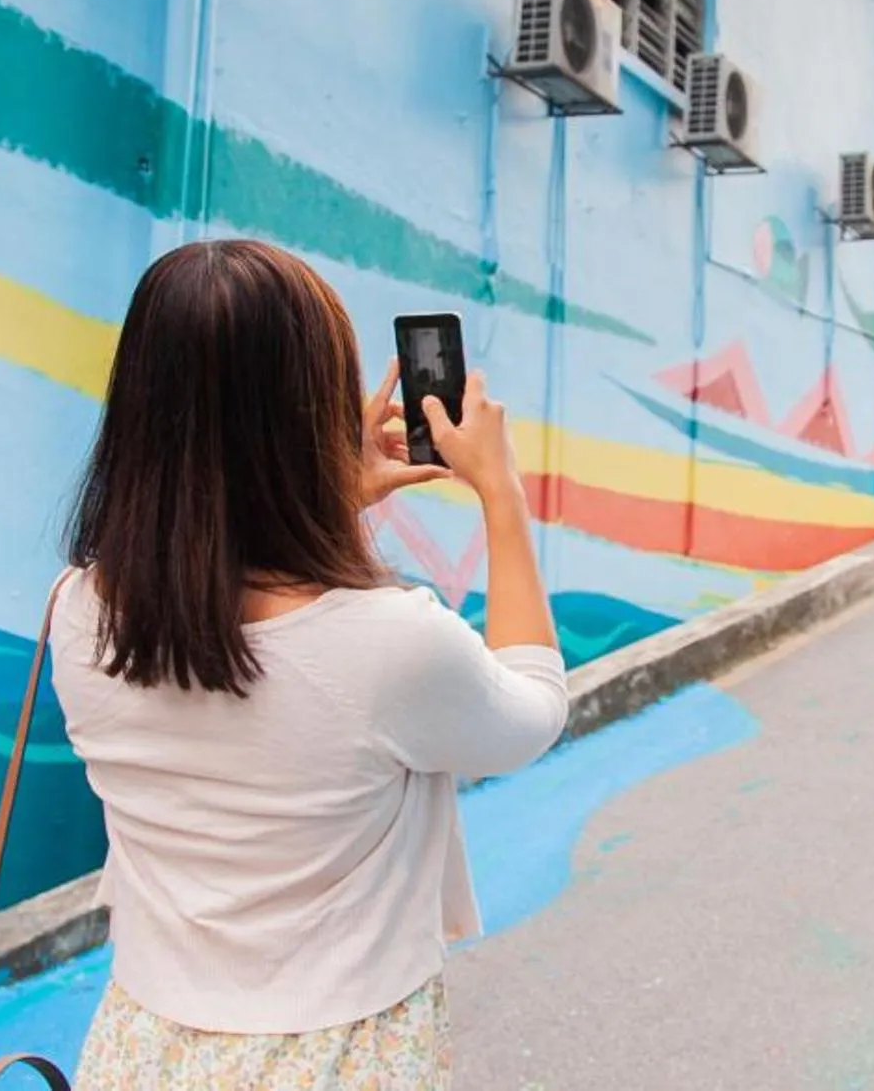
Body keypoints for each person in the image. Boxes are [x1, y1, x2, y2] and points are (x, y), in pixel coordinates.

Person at [49, 240, 569, 1089]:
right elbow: (534, 709)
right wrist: (502, 497)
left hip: (144, 1047)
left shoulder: (76, 610)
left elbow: (243, 618)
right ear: (311, 413)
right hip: (338, 1058)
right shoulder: (391, 643)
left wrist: (324, 503)